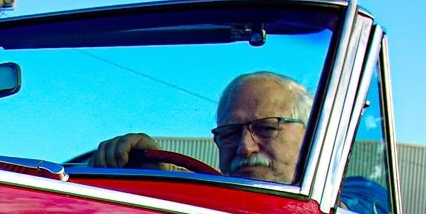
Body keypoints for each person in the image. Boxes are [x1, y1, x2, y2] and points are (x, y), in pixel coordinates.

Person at [78, 72, 312, 184]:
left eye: (266, 128)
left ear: (308, 136)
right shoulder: (214, 211)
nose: (245, 147)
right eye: (229, 133)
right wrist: (156, 174)